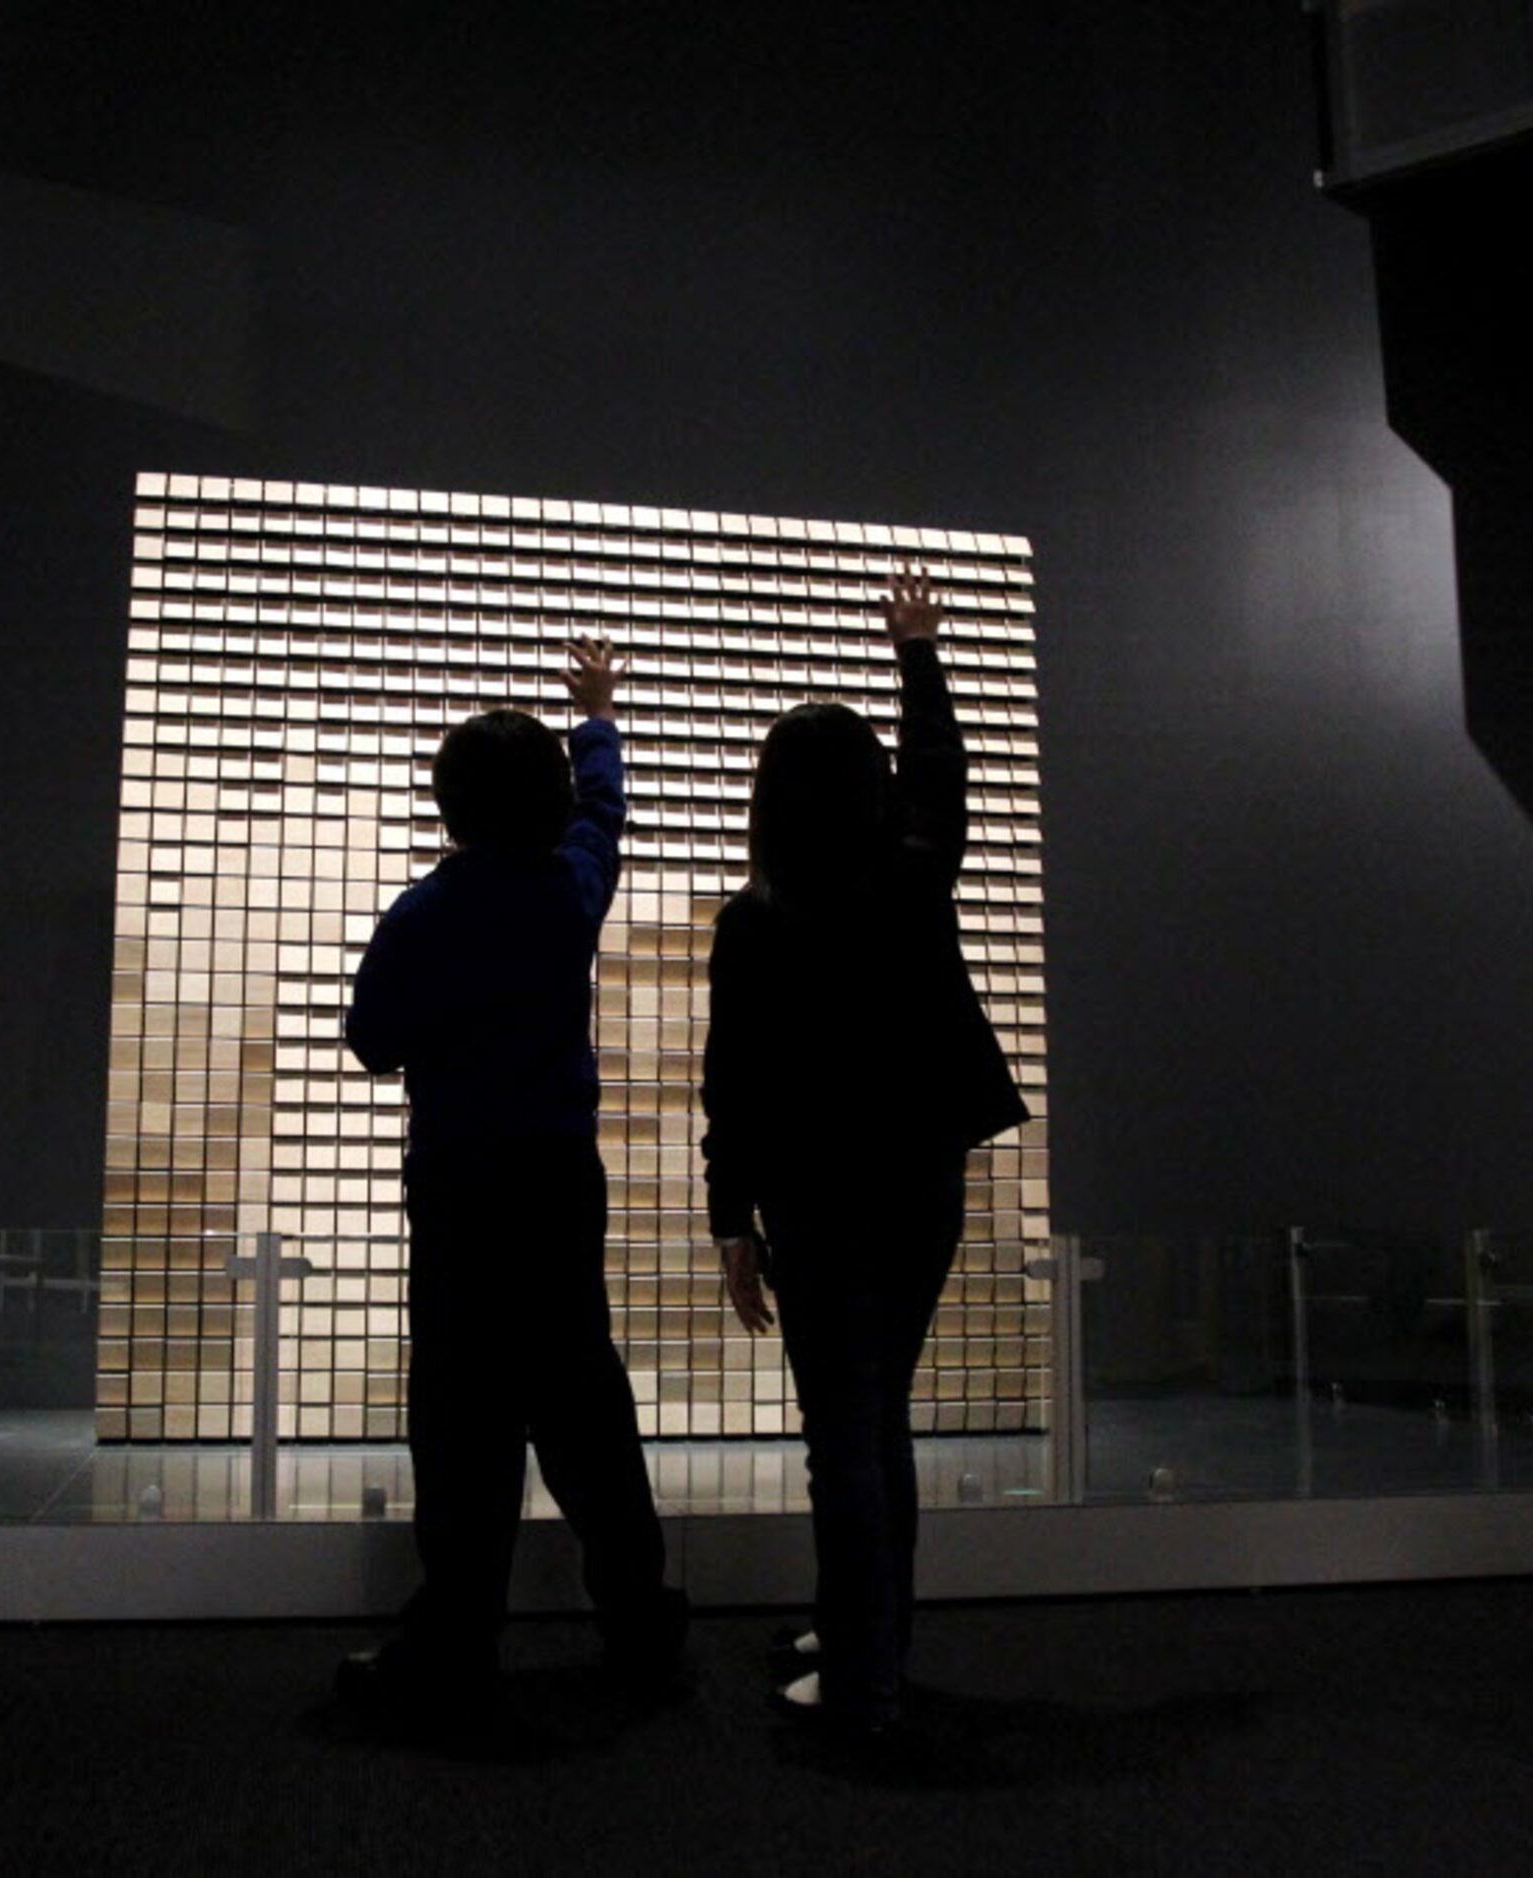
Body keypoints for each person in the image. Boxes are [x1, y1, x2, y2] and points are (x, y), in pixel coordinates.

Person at [701, 567, 1028, 1741]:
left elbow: (728, 1085)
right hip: (919, 1185)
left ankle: (863, 1683)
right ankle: (869, 1639)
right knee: (873, 1419)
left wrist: (730, 1222)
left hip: (816, 1203)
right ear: (871, 793)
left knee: (843, 1434)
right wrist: (918, 652)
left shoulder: (755, 922)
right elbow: (941, 783)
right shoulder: (909, 882)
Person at [340, 633, 687, 1718]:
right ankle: (637, 1620)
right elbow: (601, 816)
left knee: (459, 1415)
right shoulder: (567, 893)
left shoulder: (426, 912)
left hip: (458, 1184)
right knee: (583, 1399)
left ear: (448, 807)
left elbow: (370, 1038)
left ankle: (455, 1637)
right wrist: (598, 716)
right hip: (554, 1181)